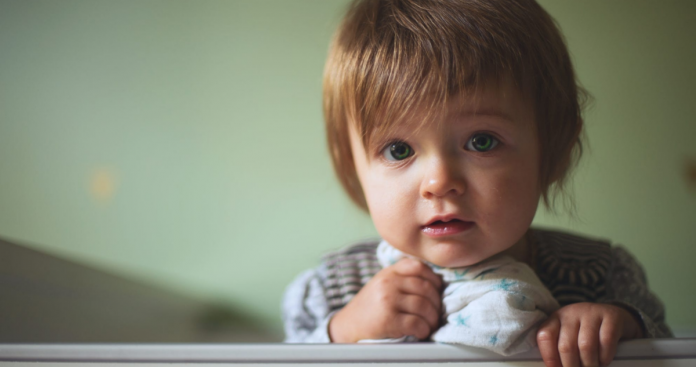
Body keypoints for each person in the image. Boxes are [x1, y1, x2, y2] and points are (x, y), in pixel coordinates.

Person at [282, 0, 672, 365]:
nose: (439, 183)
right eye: (399, 150)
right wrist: (340, 333)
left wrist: (623, 330)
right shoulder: (330, 290)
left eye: (481, 142)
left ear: (554, 149)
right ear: (352, 166)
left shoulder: (599, 275)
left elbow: (671, 350)